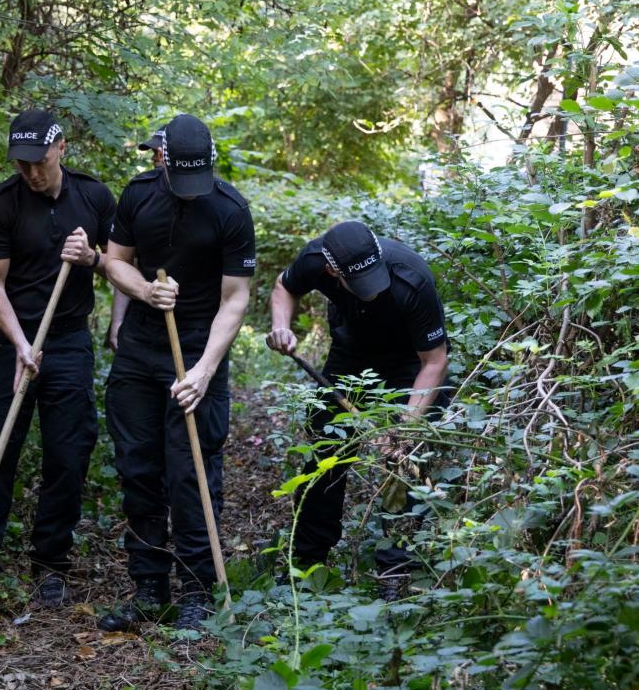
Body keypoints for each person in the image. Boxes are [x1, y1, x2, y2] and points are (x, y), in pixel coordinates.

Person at [100, 114, 256, 631]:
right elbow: (113, 261)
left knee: (190, 472)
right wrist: (144, 290)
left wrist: (205, 371)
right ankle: (149, 587)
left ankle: (196, 591)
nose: (191, 190)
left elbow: (235, 299)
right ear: (162, 160)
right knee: (138, 468)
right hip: (141, 350)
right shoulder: (139, 194)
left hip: (197, 349)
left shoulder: (231, 210)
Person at [0, 109, 116, 606]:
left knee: (68, 454)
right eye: (21, 162)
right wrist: (22, 345)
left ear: (61, 148)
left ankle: (51, 565)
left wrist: (92, 258)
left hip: (69, 341)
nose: (30, 171)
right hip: (14, 341)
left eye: (39, 160)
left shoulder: (94, 197)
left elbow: (121, 264)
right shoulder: (1, 204)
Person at [265, 221, 450, 600]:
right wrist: (281, 326)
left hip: (408, 363)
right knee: (324, 456)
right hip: (350, 357)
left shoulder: (411, 278)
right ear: (333, 271)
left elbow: (434, 361)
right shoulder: (317, 259)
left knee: (406, 459)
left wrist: (403, 427)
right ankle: (307, 562)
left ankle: (396, 569)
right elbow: (285, 287)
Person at [108, 124, 166, 351]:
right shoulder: (139, 194)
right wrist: (117, 322)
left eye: (156, 153)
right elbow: (124, 262)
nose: (154, 159)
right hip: (141, 320)